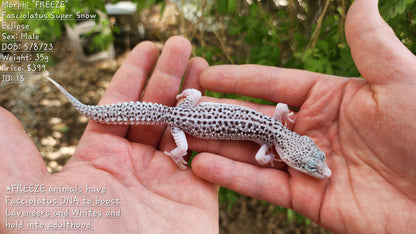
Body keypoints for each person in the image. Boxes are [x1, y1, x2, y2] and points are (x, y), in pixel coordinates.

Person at [0, 0, 414, 233]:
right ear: (291, 153)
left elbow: (282, 118)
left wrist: (193, 101)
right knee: (179, 149)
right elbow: (259, 157)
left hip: (186, 109)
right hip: (180, 123)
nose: (317, 168)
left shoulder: (280, 125)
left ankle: (129, 111)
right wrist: (182, 154)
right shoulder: (274, 140)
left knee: (184, 106)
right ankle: (163, 147)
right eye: (311, 162)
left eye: (312, 162)